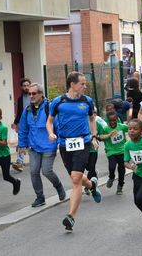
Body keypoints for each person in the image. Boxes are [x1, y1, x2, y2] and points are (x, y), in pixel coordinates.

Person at [47, 71, 101, 231]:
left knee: (76, 179)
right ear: (72, 84)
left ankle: (71, 217)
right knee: (75, 176)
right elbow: (49, 121)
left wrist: (93, 137)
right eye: (82, 83)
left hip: (83, 142)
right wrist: (50, 132)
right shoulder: (58, 102)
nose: (85, 86)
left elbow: (92, 119)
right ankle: (91, 185)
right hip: (65, 144)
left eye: (85, 84)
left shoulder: (87, 101)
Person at [18, 83, 66, 207]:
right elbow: (23, 128)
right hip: (33, 146)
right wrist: (22, 144)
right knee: (33, 172)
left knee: (46, 171)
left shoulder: (49, 108)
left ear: (41, 94)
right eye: (29, 94)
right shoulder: (27, 109)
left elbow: (58, 126)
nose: (31, 96)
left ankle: (59, 186)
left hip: (48, 146)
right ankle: (40, 197)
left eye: (34, 93)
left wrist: (60, 142)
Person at [99, 111, 128, 195]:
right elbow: (100, 137)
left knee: (122, 169)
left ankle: (120, 186)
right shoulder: (105, 129)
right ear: (107, 121)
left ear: (117, 119)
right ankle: (111, 177)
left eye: (114, 120)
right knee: (112, 167)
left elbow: (131, 128)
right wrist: (109, 135)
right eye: (110, 121)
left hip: (122, 151)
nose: (112, 122)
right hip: (111, 152)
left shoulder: (122, 127)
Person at [84, 107, 107, 196]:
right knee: (87, 167)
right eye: (92, 112)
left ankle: (89, 187)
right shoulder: (82, 123)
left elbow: (102, 134)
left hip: (93, 148)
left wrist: (97, 138)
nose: (94, 114)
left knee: (92, 167)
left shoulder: (97, 123)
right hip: (83, 149)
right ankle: (93, 173)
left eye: (95, 112)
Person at [11, 78, 31, 172]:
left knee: (32, 143)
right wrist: (15, 123)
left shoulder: (34, 96)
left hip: (34, 124)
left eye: (28, 85)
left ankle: (36, 161)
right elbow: (19, 112)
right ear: (21, 87)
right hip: (24, 124)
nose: (26, 87)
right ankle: (19, 162)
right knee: (21, 142)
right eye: (24, 86)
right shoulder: (20, 99)